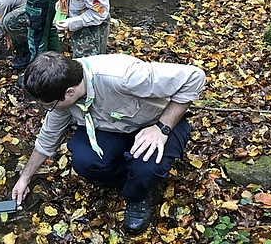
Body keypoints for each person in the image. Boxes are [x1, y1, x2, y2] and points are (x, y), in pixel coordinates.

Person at [11, 51, 206, 234]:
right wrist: (24, 178)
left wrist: (162, 128)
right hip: (114, 129)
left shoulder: (124, 76)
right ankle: (133, 178)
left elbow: (194, 77)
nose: (48, 110)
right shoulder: (61, 91)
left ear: (69, 92)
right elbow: (47, 139)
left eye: (48, 105)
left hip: (159, 124)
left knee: (148, 168)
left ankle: (138, 196)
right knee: (84, 160)